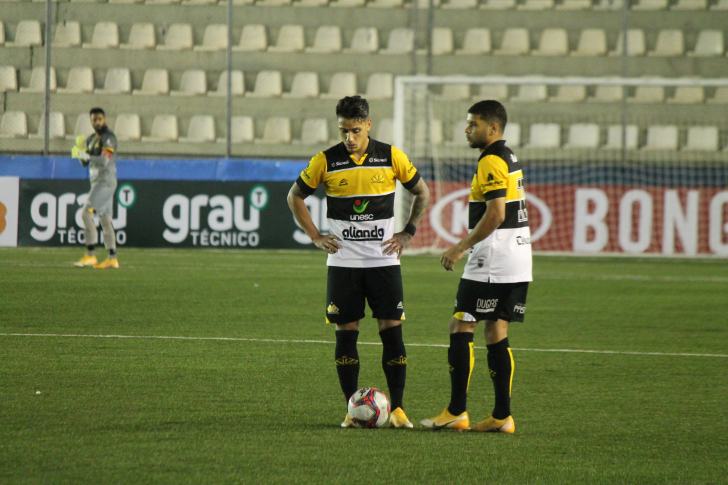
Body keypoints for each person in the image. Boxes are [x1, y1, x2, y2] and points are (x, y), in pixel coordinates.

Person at [287, 96, 430, 429]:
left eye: (354, 130)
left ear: (368, 124)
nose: (348, 138)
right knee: (345, 333)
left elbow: (421, 192)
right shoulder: (325, 161)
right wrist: (315, 236)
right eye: (343, 131)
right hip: (343, 264)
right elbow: (294, 196)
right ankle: (352, 410)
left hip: (383, 263)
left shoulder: (391, 156)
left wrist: (407, 232)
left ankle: (398, 409)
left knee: (391, 331)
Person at [421, 100, 532, 433]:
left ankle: (456, 411)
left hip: (492, 258)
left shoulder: (491, 160)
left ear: (492, 128)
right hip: (518, 255)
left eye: (473, 124)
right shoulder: (508, 156)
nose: (467, 130)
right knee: (496, 329)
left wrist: (459, 248)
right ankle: (502, 416)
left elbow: (496, 214)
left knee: (461, 326)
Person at [71, 107, 119, 269]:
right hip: (97, 181)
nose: (97, 122)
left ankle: (90, 255)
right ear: (91, 121)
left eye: (100, 119)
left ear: (104, 119)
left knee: (85, 214)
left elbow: (104, 161)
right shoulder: (92, 138)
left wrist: (87, 155)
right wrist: (79, 153)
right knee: (105, 220)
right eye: (94, 120)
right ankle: (112, 258)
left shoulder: (108, 137)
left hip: (105, 181)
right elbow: (86, 163)